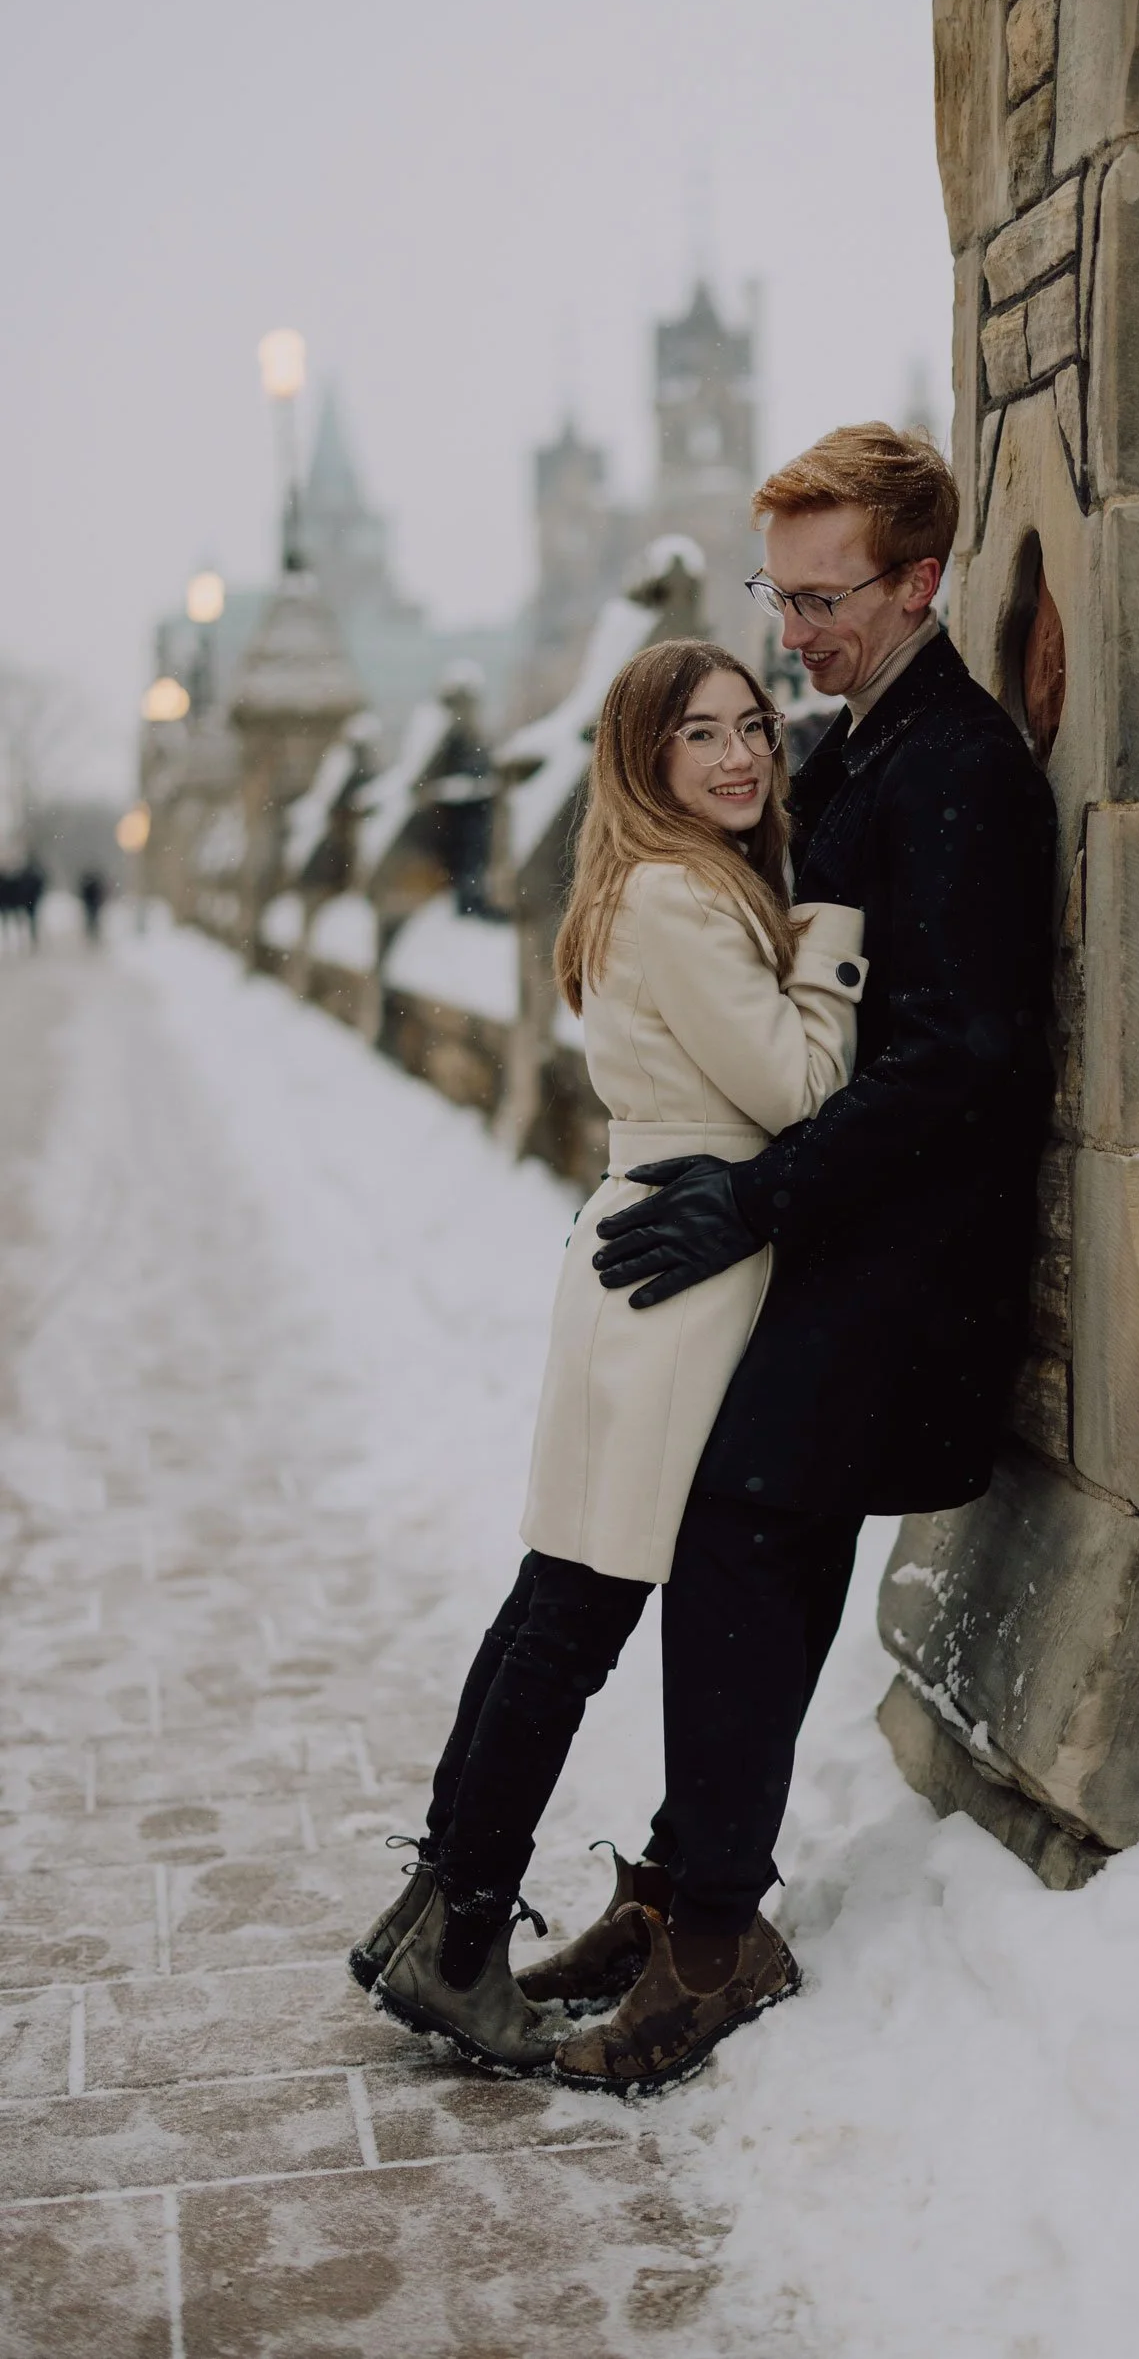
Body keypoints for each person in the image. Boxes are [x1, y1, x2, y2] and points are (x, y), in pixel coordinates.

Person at [520, 425, 1059, 2094]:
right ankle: (691, 1884)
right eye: (780, 591)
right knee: (731, 1531)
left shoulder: (956, 765)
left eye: (823, 597)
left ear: (919, 581)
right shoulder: (851, 747)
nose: (792, 631)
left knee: (747, 1528)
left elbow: (962, 1053)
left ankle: (712, 1935)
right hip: (832, 1229)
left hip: (905, 1254)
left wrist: (755, 1201)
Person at [353, 639, 868, 2075]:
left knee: (546, 1607)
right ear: (641, 760)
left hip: (641, 1258)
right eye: (697, 734)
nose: (739, 755)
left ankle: (429, 1914)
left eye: (752, 727)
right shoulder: (675, 895)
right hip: (682, 1273)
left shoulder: (653, 886)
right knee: (570, 1621)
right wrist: (827, 929)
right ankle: (457, 1949)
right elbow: (800, 1086)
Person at [79, 870, 107, 941]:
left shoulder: (87, 885)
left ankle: (92, 931)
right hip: (93, 904)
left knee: (91, 918)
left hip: (91, 904)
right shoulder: (94, 885)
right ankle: (93, 931)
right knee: (93, 918)